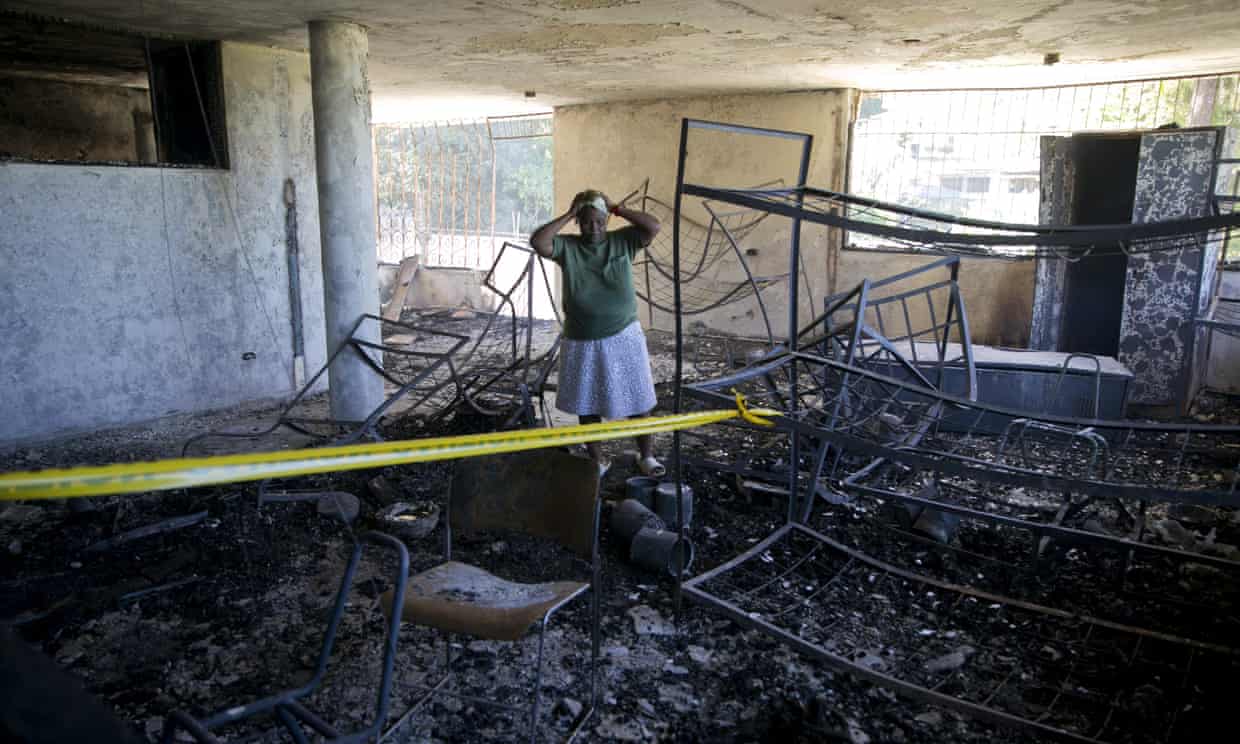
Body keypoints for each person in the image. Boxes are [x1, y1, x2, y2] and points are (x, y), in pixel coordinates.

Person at [530, 189, 664, 477]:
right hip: (582, 338)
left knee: (638, 399)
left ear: (607, 221)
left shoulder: (623, 240)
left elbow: (653, 226)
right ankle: (598, 461)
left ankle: (647, 457)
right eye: (588, 222)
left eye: (600, 222)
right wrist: (568, 213)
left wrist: (618, 208)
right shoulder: (568, 247)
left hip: (624, 334)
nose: (594, 229)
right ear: (579, 222)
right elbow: (538, 242)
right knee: (587, 403)